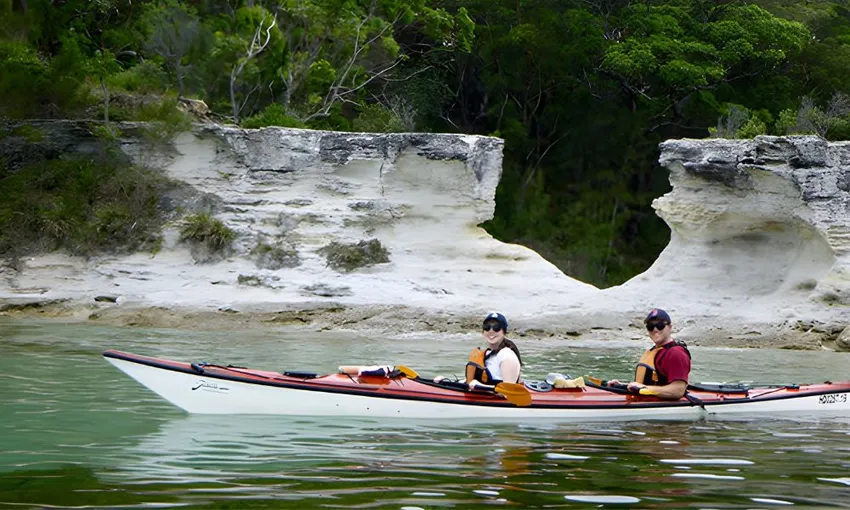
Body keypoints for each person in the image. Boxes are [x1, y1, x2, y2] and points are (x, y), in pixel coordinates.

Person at [607, 308, 691, 400]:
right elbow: (650, 384)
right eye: (650, 326)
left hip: (661, 409)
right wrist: (623, 386)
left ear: (670, 327)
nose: (655, 329)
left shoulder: (676, 353)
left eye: (660, 325)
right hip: (643, 402)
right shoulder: (653, 351)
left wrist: (644, 388)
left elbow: (677, 391)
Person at [465, 312, 522, 389]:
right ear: (483, 332)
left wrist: (479, 386)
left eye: (496, 327)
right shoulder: (487, 353)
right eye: (487, 327)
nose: (491, 331)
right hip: (481, 397)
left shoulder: (507, 356)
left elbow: (508, 391)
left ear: (504, 332)